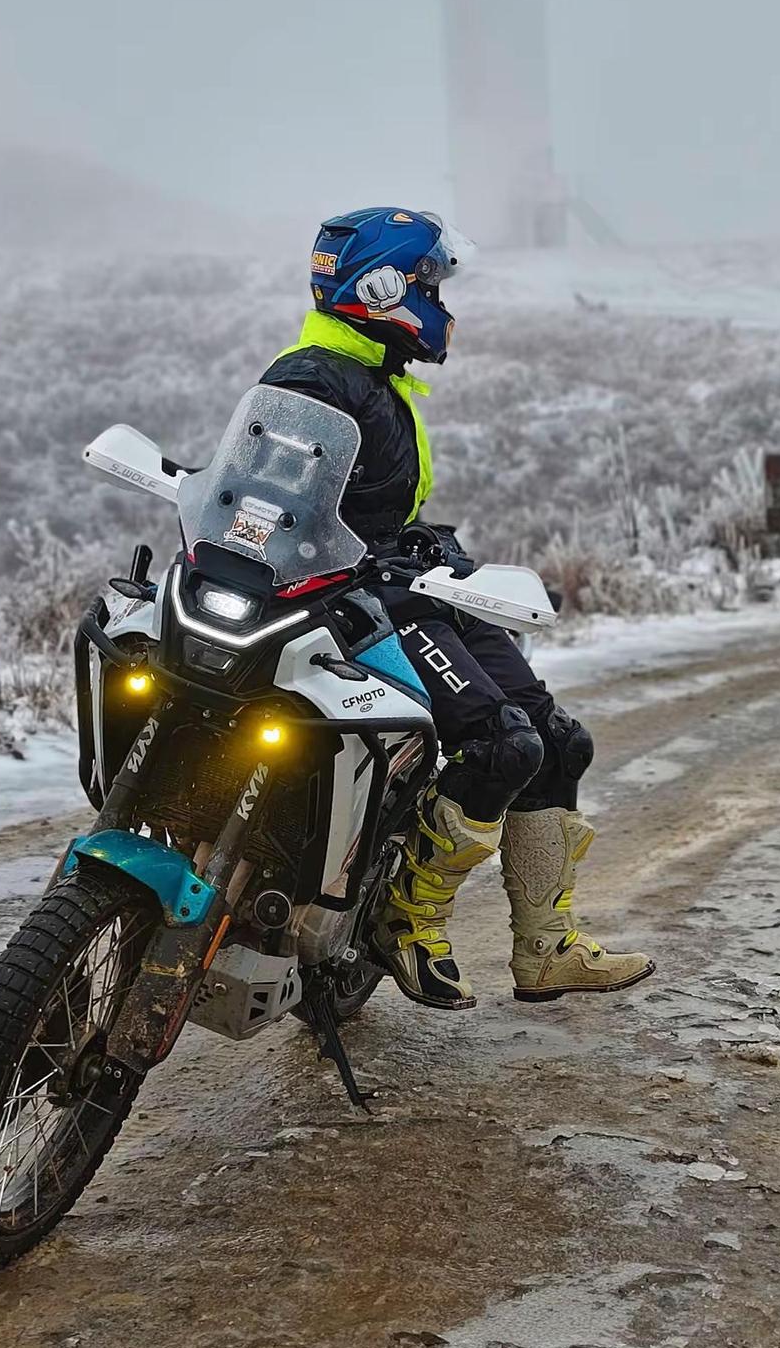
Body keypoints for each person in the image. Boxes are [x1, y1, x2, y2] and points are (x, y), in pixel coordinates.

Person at [260, 207, 654, 1010]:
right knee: (501, 747)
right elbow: (275, 511)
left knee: (554, 742)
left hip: (411, 581)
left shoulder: (374, 378)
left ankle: (545, 950)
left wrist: (427, 548)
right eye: (429, 283)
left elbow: (370, 510)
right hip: (362, 602)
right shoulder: (317, 379)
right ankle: (408, 921)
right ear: (380, 288)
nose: (442, 301)